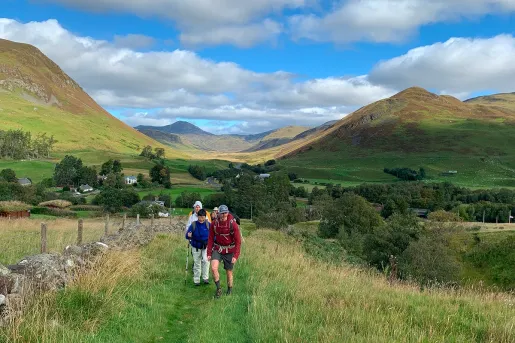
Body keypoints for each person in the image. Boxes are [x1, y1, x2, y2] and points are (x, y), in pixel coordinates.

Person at [207, 204, 241, 298]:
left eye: (225, 213)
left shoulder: (232, 224)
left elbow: (238, 241)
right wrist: (209, 253)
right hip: (217, 248)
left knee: (229, 272)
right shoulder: (214, 223)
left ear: (228, 212)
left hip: (229, 250)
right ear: (218, 213)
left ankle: (229, 290)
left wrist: (236, 256)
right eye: (222, 213)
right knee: (213, 268)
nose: (224, 215)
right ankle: (218, 289)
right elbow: (210, 239)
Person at [185, 209, 211, 286]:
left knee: (206, 261)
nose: (201, 219)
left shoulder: (208, 224)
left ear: (205, 217)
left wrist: (213, 242)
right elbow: (187, 235)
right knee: (197, 263)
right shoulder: (193, 224)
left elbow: (213, 235)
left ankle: (205, 278)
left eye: (202, 217)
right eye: (199, 217)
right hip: (196, 246)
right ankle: (196, 280)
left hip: (206, 246)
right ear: (198, 216)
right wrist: (188, 235)